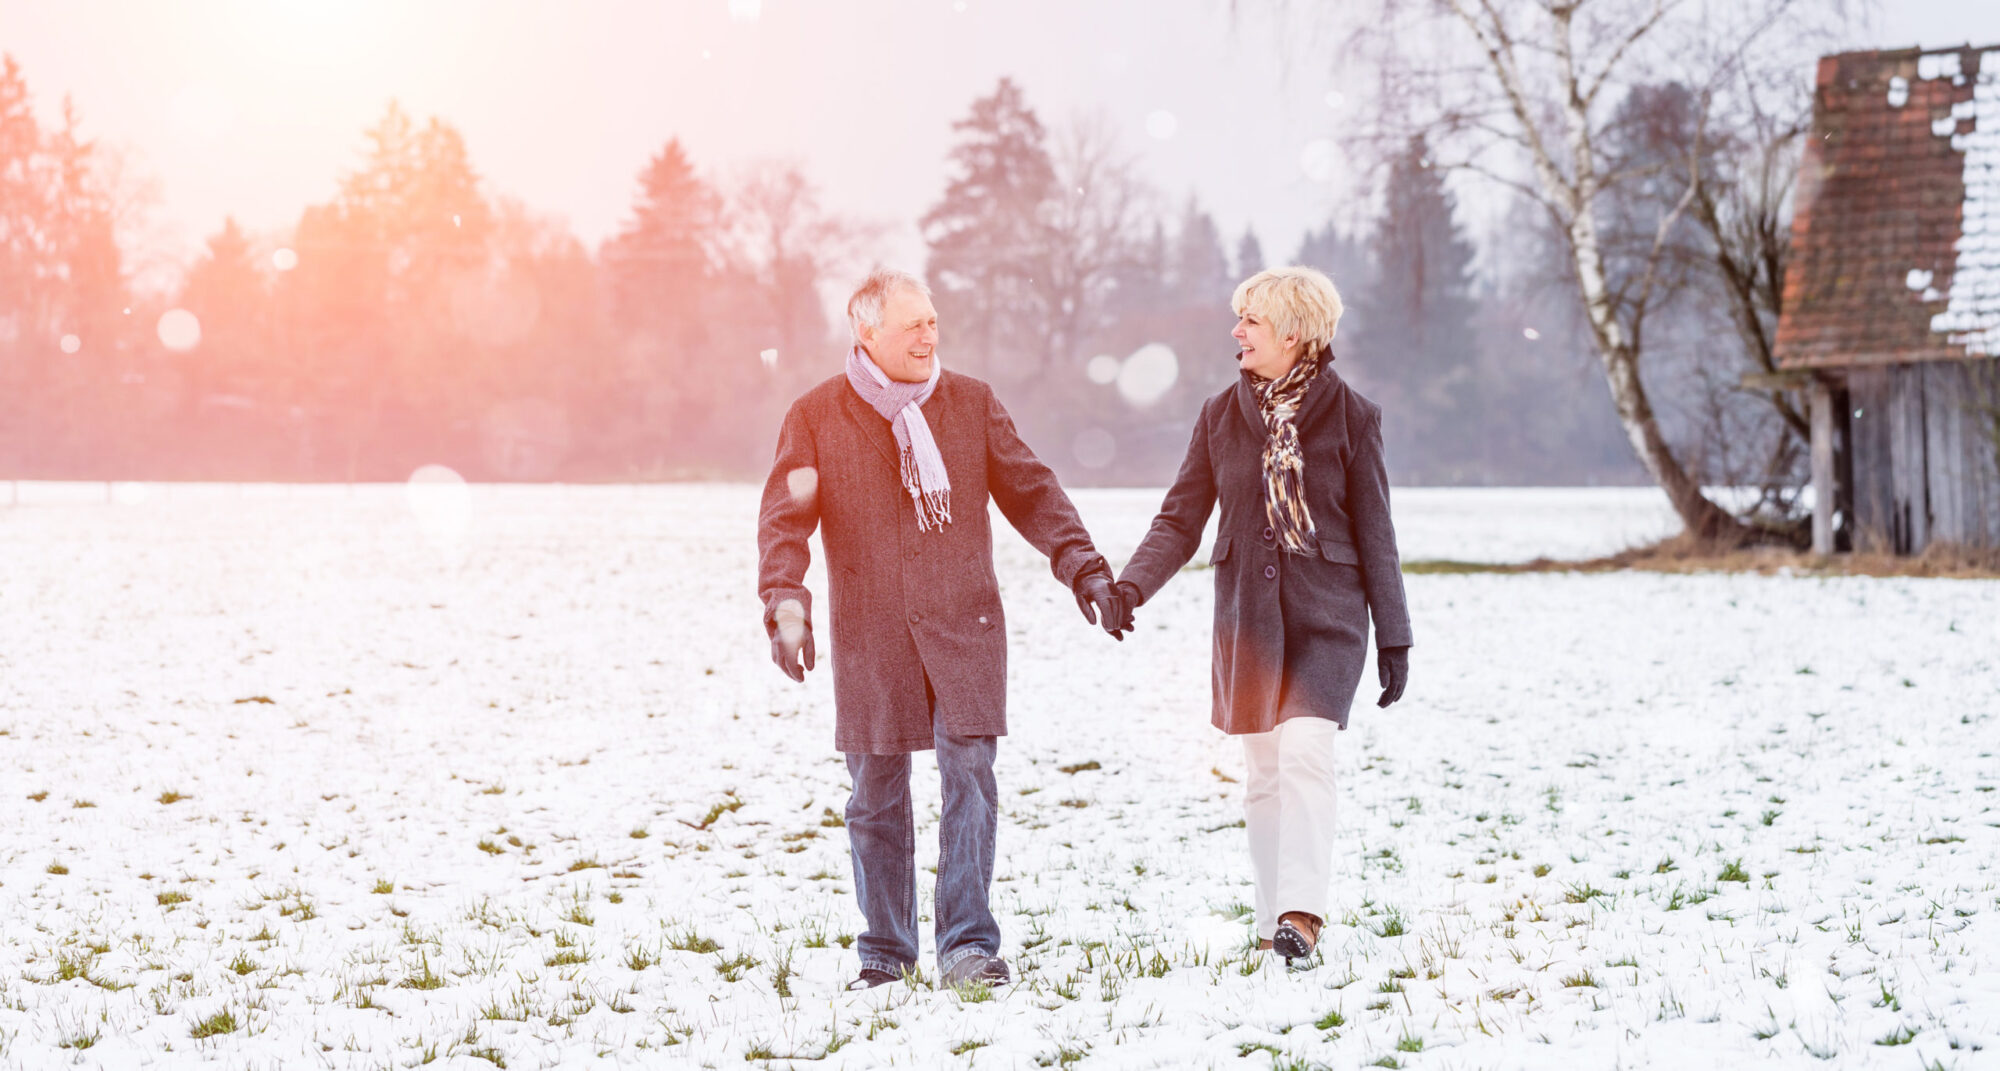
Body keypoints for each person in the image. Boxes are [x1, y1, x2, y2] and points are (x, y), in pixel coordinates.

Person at [757, 268, 1126, 991]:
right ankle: (886, 952)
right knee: (875, 794)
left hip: (965, 625)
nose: (930, 335)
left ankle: (966, 945)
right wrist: (786, 605)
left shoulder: (970, 405)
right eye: (912, 325)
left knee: (970, 778)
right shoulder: (816, 416)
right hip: (872, 634)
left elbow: (1034, 491)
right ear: (866, 333)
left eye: (932, 321)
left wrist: (1083, 566)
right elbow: (784, 523)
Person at [1114, 266, 1412, 966]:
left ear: (1294, 331)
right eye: (1238, 318)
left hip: (1330, 618)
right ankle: (1271, 912)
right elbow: (1180, 517)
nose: (1236, 331)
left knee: (1306, 747)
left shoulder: (1353, 417)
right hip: (1248, 619)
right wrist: (1131, 587)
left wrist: (1395, 636)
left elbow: (1378, 532)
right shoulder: (1221, 415)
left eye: (1250, 319)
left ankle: (1301, 914)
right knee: (1266, 770)